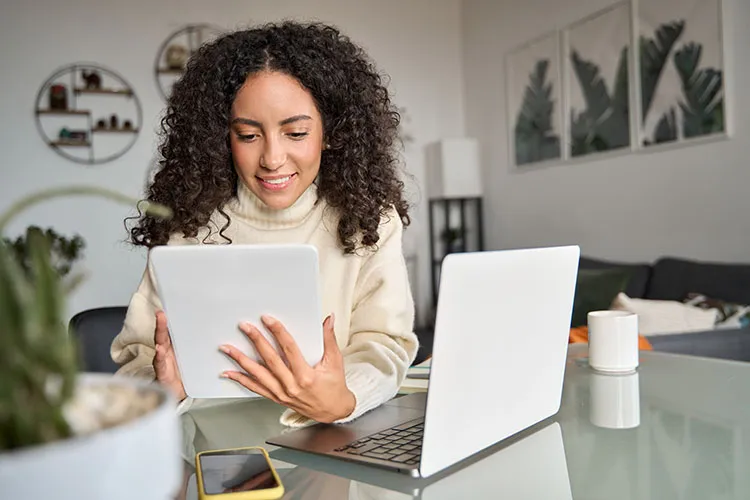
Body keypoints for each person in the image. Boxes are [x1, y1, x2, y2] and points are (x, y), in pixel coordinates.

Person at [111, 21, 419, 428]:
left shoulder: (369, 221)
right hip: (206, 447)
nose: (272, 158)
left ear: (331, 132)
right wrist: (166, 390)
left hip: (329, 438)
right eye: (248, 135)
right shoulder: (187, 226)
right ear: (222, 136)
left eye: (296, 132)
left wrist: (345, 397)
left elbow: (385, 342)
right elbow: (136, 359)